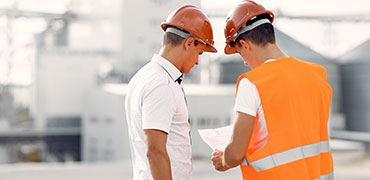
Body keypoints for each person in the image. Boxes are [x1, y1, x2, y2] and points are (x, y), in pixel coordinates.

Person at [211, 0, 334, 179]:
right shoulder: (317, 74)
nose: (244, 61)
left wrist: (223, 160)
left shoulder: (252, 83)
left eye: (240, 53)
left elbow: (236, 154)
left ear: (245, 45)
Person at [125, 5, 217, 180]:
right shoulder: (162, 85)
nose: (197, 62)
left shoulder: (144, 76)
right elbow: (155, 151)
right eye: (199, 52)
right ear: (189, 43)